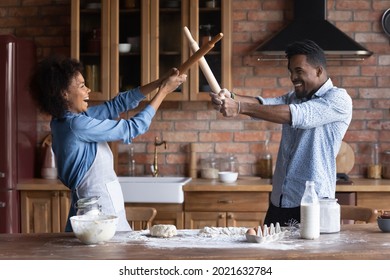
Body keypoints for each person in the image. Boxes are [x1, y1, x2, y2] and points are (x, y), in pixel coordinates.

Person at [29, 55, 187, 232]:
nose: (88, 90)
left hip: (101, 206)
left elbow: (117, 104)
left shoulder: (66, 121)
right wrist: (164, 91)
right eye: (81, 86)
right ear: (64, 94)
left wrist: (160, 82)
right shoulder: (77, 125)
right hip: (97, 213)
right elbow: (132, 128)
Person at [210, 39, 352, 226]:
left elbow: (295, 115)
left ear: (318, 71)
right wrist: (232, 97)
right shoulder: (294, 97)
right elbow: (265, 104)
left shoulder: (337, 99)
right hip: (280, 200)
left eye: (299, 71)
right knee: (270, 253)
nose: (293, 77)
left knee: (306, 255)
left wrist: (238, 107)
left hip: (312, 203)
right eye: (291, 71)